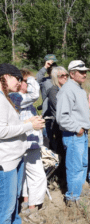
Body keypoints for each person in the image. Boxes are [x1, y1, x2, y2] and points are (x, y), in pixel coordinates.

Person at [0, 63, 44, 224]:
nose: (19, 82)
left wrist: (27, 121)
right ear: (5, 77)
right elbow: (1, 131)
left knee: (13, 208)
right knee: (6, 210)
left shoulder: (5, 98)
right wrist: (29, 126)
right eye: (17, 78)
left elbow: (9, 125)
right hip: (7, 162)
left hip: (15, 158)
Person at [56, 60, 90, 207]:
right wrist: (78, 129)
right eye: (81, 71)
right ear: (72, 74)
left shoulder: (78, 88)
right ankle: (72, 198)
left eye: (85, 71)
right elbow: (62, 118)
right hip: (73, 134)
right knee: (74, 167)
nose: (84, 74)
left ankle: (77, 191)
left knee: (82, 165)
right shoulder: (67, 90)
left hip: (81, 134)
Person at [36, 54, 58, 147]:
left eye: (54, 67)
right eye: (50, 68)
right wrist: (45, 67)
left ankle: (59, 158)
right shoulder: (44, 81)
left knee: (59, 140)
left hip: (59, 115)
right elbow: (37, 80)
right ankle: (47, 158)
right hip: (48, 115)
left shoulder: (61, 80)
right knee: (47, 139)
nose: (52, 69)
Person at [47, 66, 69, 155]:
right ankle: (61, 168)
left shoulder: (65, 88)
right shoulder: (53, 90)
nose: (65, 77)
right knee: (61, 148)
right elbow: (59, 107)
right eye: (62, 75)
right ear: (56, 77)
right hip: (59, 125)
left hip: (67, 123)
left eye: (66, 75)